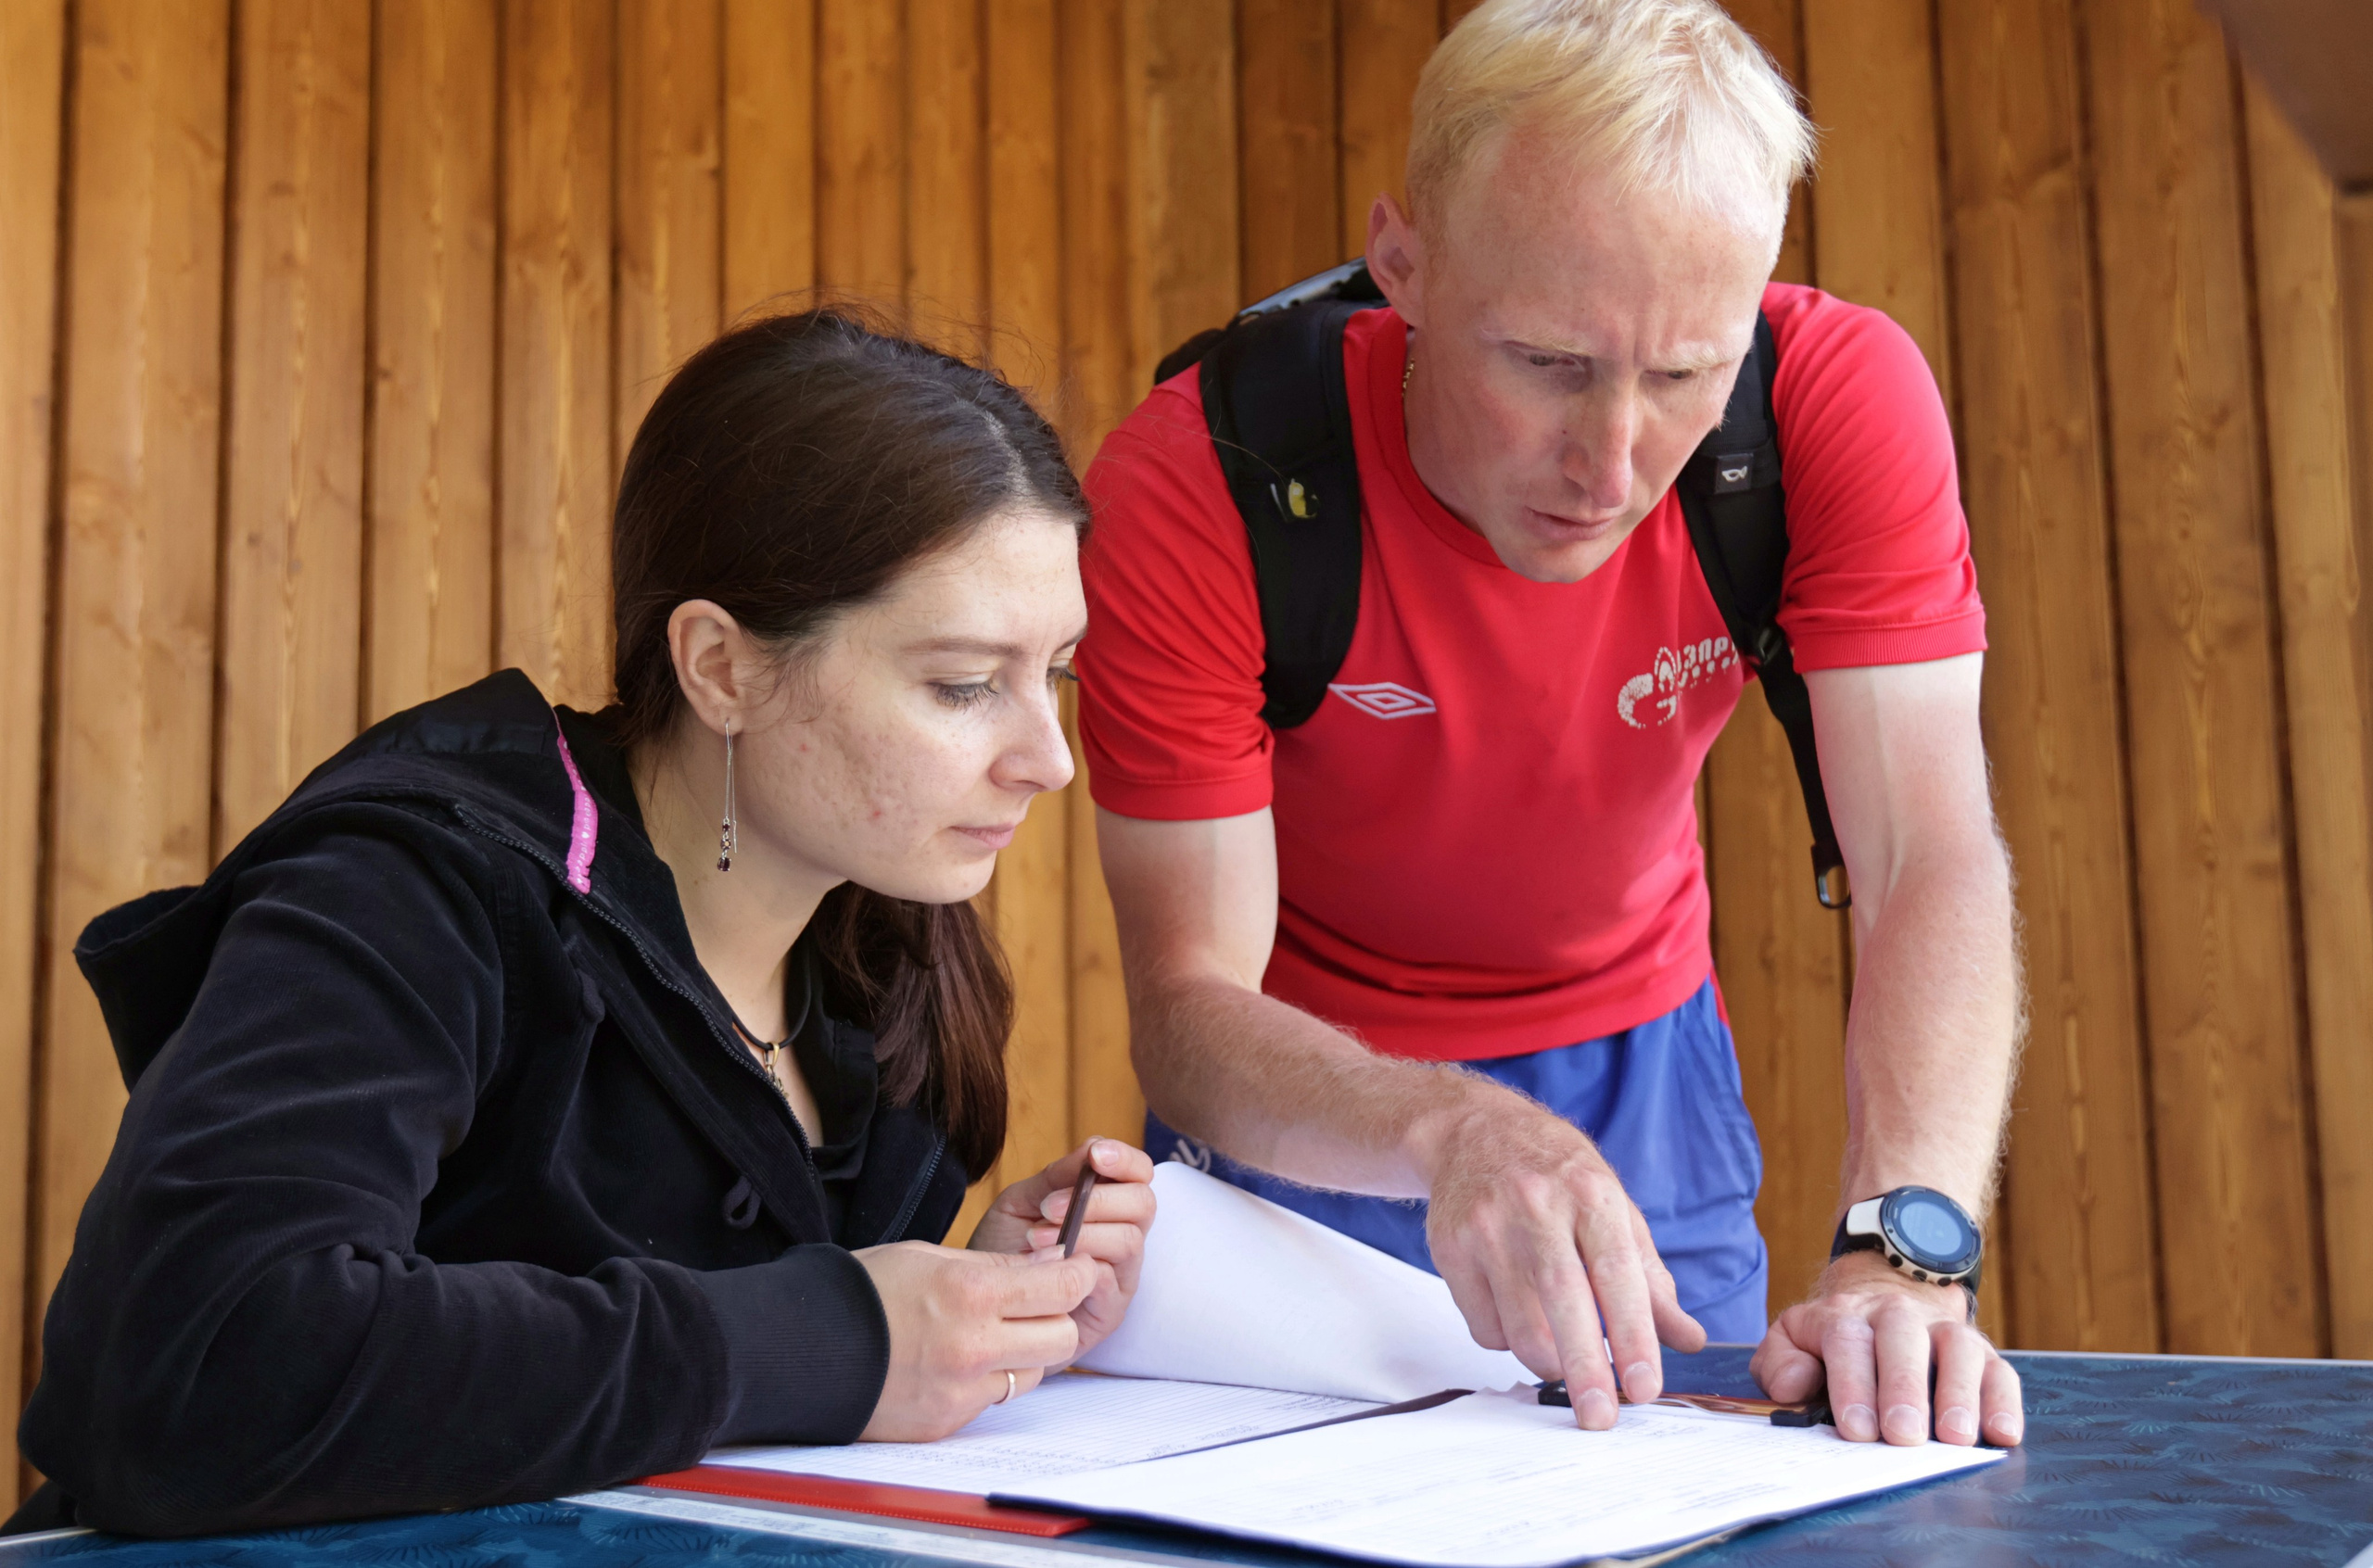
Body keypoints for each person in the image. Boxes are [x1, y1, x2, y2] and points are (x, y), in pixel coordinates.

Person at [11, 310, 1156, 1536]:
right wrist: (828, 1336)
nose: (1050, 760)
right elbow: (195, 1362)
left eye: (1057, 673)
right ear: (721, 667)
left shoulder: (891, 948)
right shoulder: (413, 888)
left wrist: (968, 1312)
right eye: (964, 684)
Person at [1079, 0, 2023, 1451]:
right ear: (1402, 264)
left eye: (1684, 374)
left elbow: (1928, 858)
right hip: (1310, 1096)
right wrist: (1449, 1128)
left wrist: (1902, 1253)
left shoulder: (1833, 399)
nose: (1613, 462)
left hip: (1646, 1058)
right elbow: (1188, 1010)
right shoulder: (1205, 480)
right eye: (1547, 364)